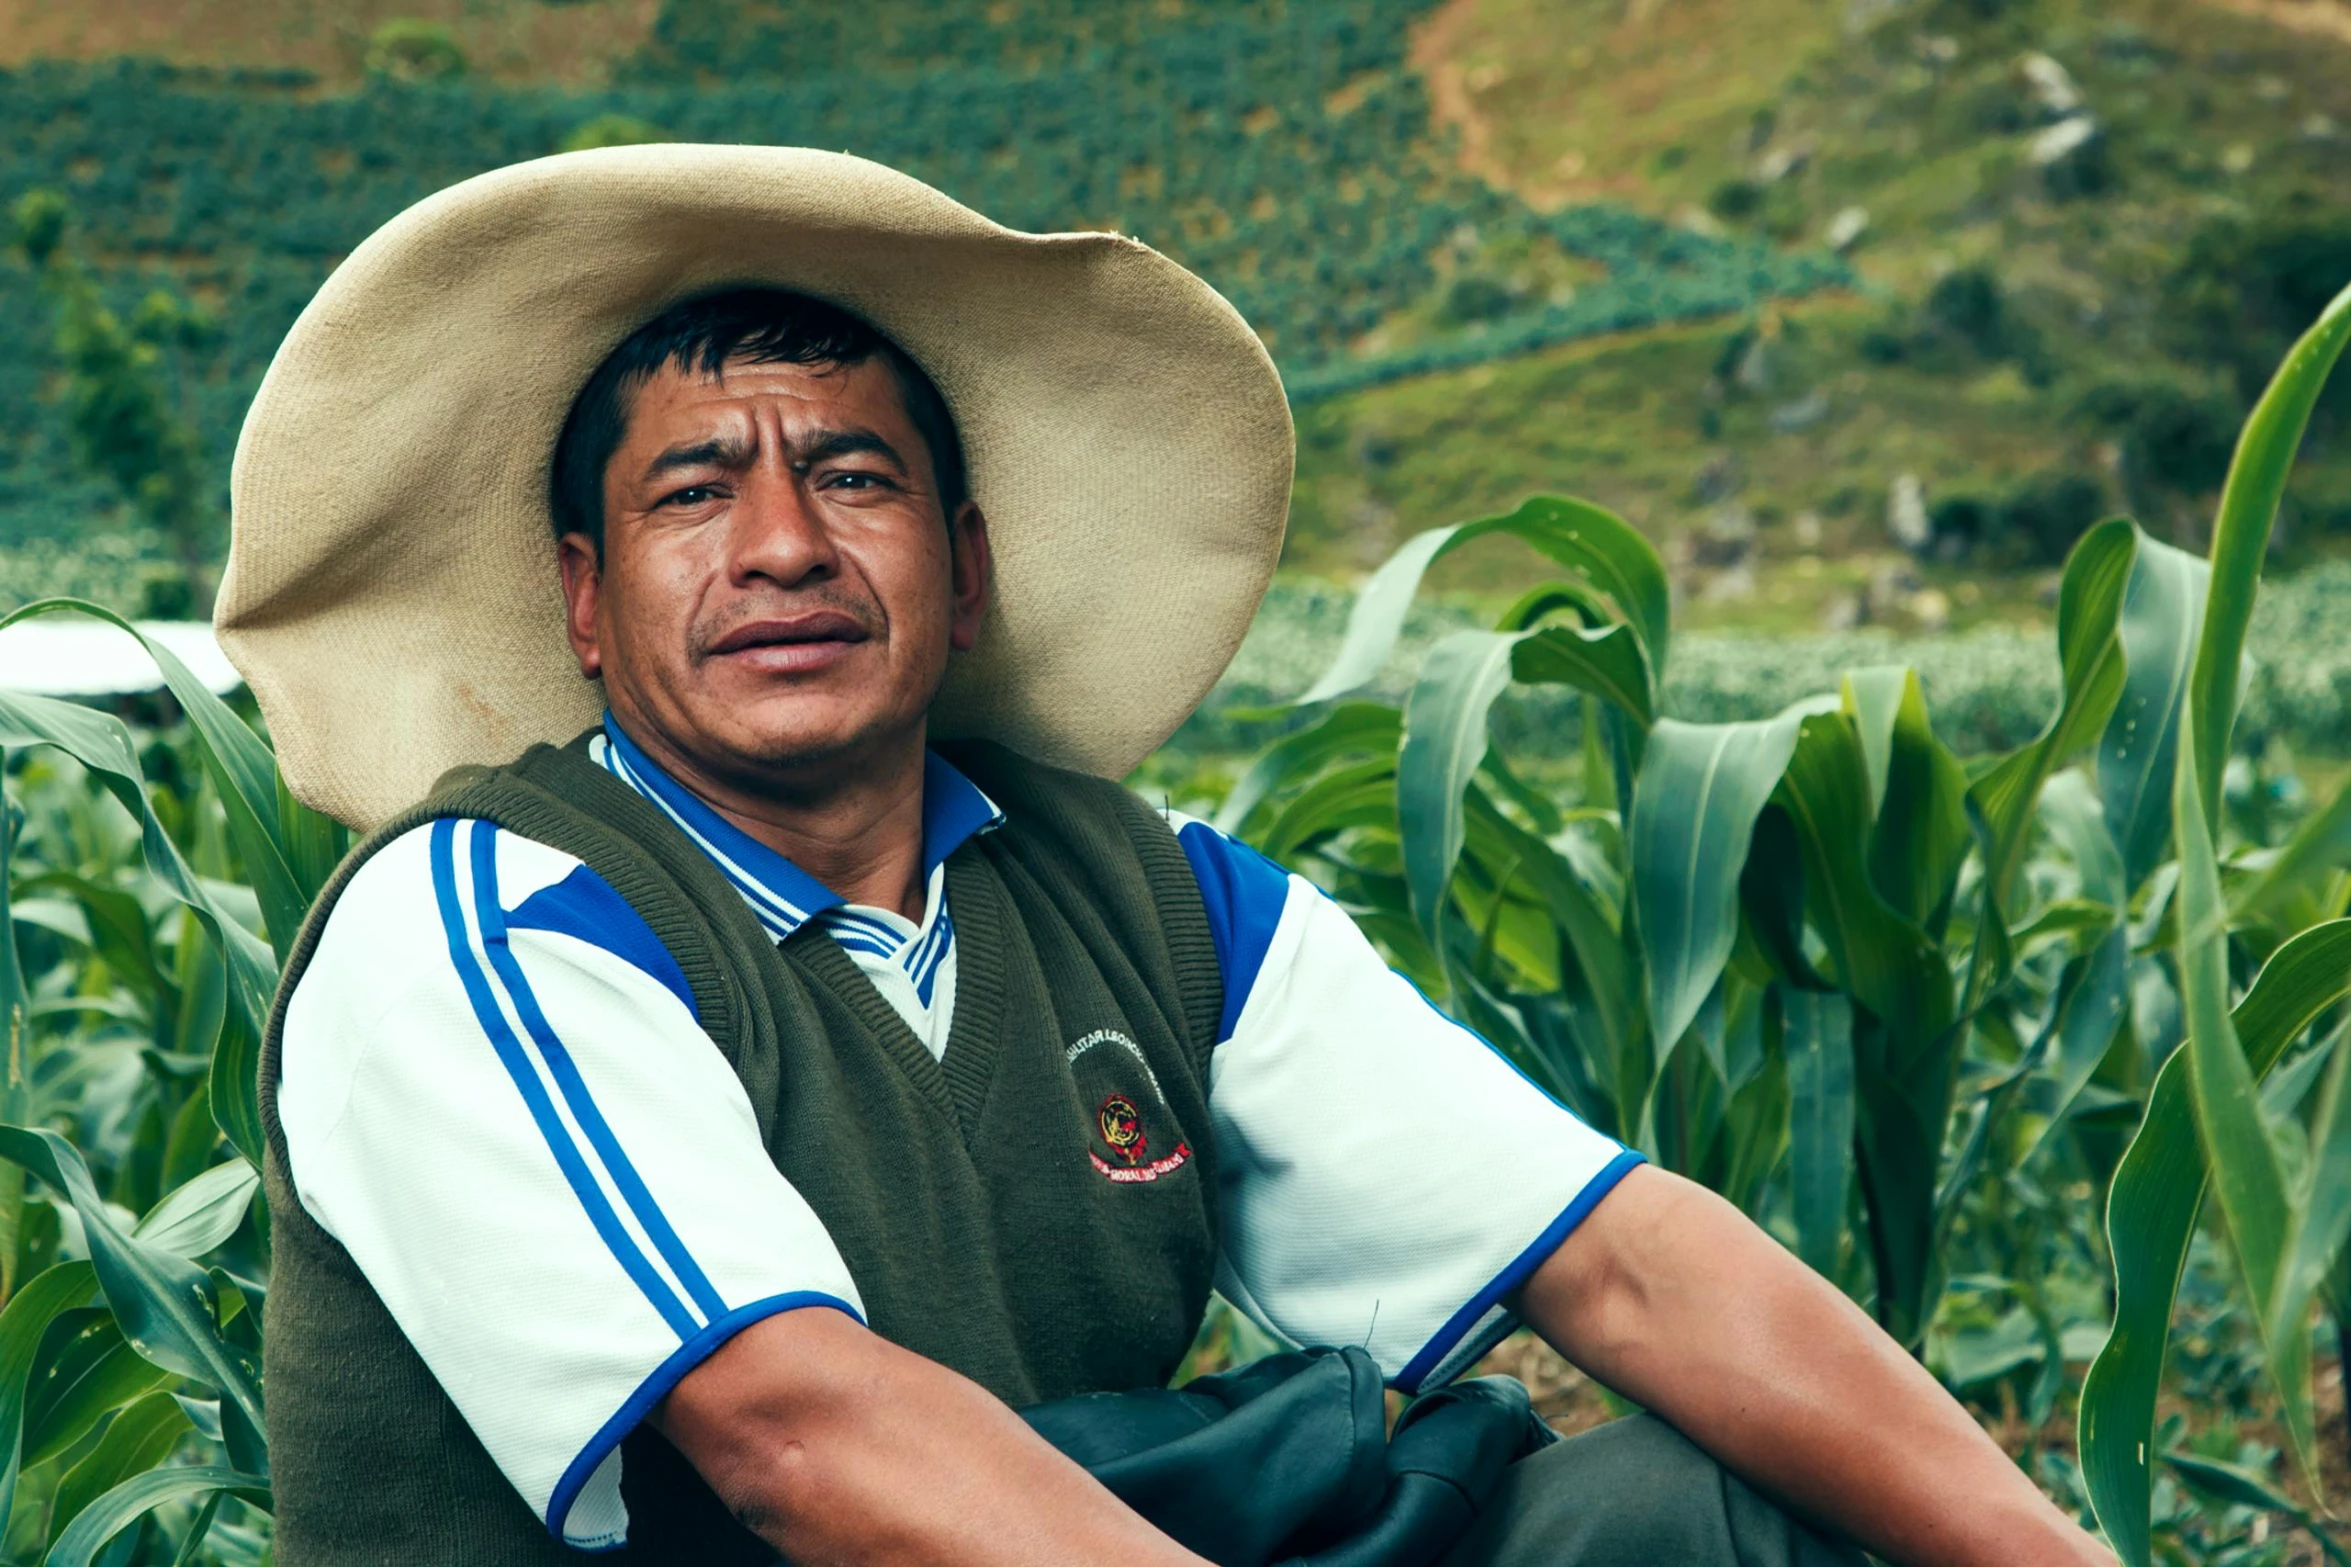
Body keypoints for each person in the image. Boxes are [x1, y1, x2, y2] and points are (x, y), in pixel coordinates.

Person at [217, 145, 2112, 1567]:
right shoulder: (487, 918)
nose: (784, 544)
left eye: (853, 476)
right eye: (694, 492)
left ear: (961, 570)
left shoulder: (1143, 895)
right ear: (581, 600)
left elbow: (1614, 1259)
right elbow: (794, 1436)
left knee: (1718, 1510)